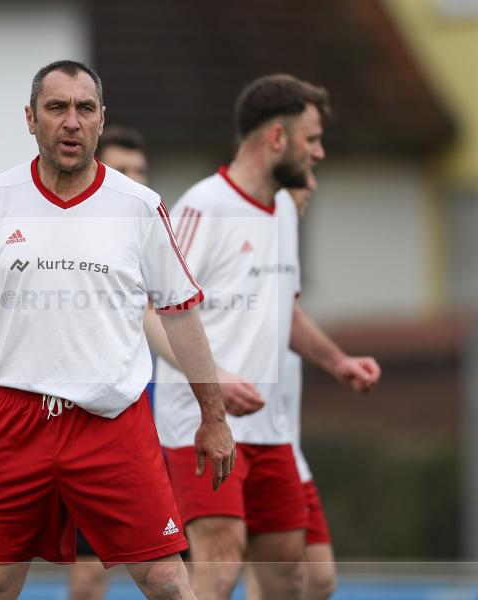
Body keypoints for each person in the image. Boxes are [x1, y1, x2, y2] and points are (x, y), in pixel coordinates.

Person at [0, 59, 235, 600]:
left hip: (113, 423)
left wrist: (214, 416)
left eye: (84, 109)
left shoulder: (139, 207)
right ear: (30, 119)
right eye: (56, 107)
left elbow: (179, 313)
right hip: (18, 418)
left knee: (167, 580)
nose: (71, 121)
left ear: (101, 121)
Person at [148, 74, 381, 600]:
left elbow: (286, 311)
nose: (319, 152)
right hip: (200, 423)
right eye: (312, 139)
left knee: (289, 578)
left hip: (272, 430)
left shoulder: (282, 211)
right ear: (277, 138)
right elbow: (151, 311)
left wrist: (337, 360)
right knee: (220, 560)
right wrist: (214, 380)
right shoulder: (200, 208)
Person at [243, 174, 337, 600]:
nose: (311, 187)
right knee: (232, 568)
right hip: (239, 444)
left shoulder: (284, 256)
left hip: (284, 448)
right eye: (300, 180)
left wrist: (339, 362)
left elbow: (291, 319)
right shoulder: (239, 244)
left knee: (316, 579)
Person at [68, 124, 150, 600]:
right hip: (94, 428)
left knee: (172, 568)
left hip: (162, 431)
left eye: (141, 171)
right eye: (123, 170)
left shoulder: (155, 239)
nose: (134, 180)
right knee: (89, 566)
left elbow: (178, 318)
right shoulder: (81, 240)